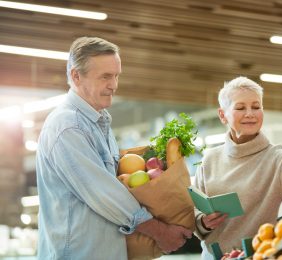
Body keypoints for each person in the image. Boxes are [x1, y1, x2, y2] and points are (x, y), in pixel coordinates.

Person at [36, 36, 192, 259]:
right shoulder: (68, 127)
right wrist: (160, 231)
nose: (114, 85)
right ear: (76, 76)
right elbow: (103, 194)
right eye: (105, 77)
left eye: (116, 75)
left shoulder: (100, 123)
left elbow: (118, 185)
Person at [193, 76, 282, 259]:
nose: (250, 113)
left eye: (256, 106)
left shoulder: (276, 159)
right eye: (240, 107)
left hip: (256, 256)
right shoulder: (210, 160)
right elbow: (192, 211)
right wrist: (203, 222)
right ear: (223, 115)